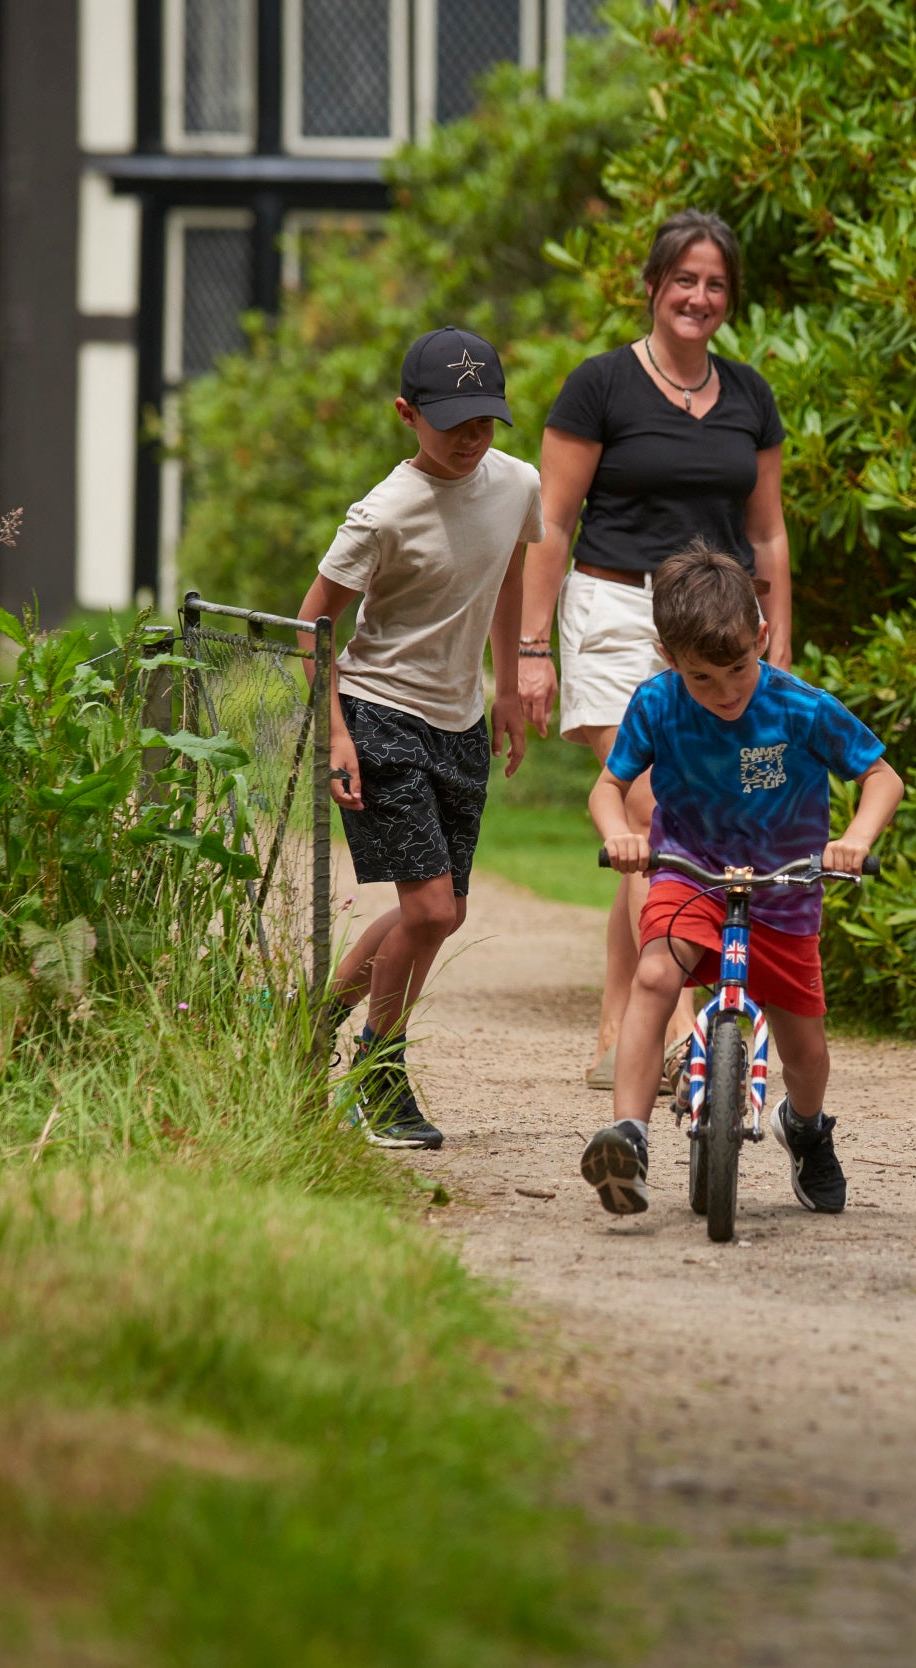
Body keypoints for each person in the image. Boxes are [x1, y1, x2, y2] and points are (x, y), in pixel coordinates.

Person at [515, 210, 793, 1089]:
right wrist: (530, 647)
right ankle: (678, 1025)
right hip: (615, 612)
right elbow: (550, 523)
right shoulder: (599, 387)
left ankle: (612, 1035)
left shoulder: (750, 396)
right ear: (652, 286)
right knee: (647, 812)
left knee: (664, 828)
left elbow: (769, 533)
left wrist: (774, 641)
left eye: (715, 284)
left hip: (717, 628)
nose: (699, 297)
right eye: (685, 280)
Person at [577, 545, 904, 1218]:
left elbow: (882, 777)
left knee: (806, 1053)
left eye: (736, 669)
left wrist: (854, 840)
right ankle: (629, 1136)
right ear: (668, 655)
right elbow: (608, 788)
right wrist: (619, 833)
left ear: (760, 638)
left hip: (785, 890)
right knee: (655, 977)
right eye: (702, 677)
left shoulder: (800, 707)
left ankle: (807, 1130)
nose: (724, 692)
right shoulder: (658, 703)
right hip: (690, 873)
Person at [296, 325, 543, 1150]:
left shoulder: (516, 485)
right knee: (430, 908)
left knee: (442, 912)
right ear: (407, 414)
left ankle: (313, 1024)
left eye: (484, 422)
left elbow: (509, 573)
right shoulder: (382, 513)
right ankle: (379, 1069)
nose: (472, 439)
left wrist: (508, 686)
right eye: (452, 424)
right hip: (378, 712)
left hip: (459, 720)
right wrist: (334, 730)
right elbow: (310, 626)